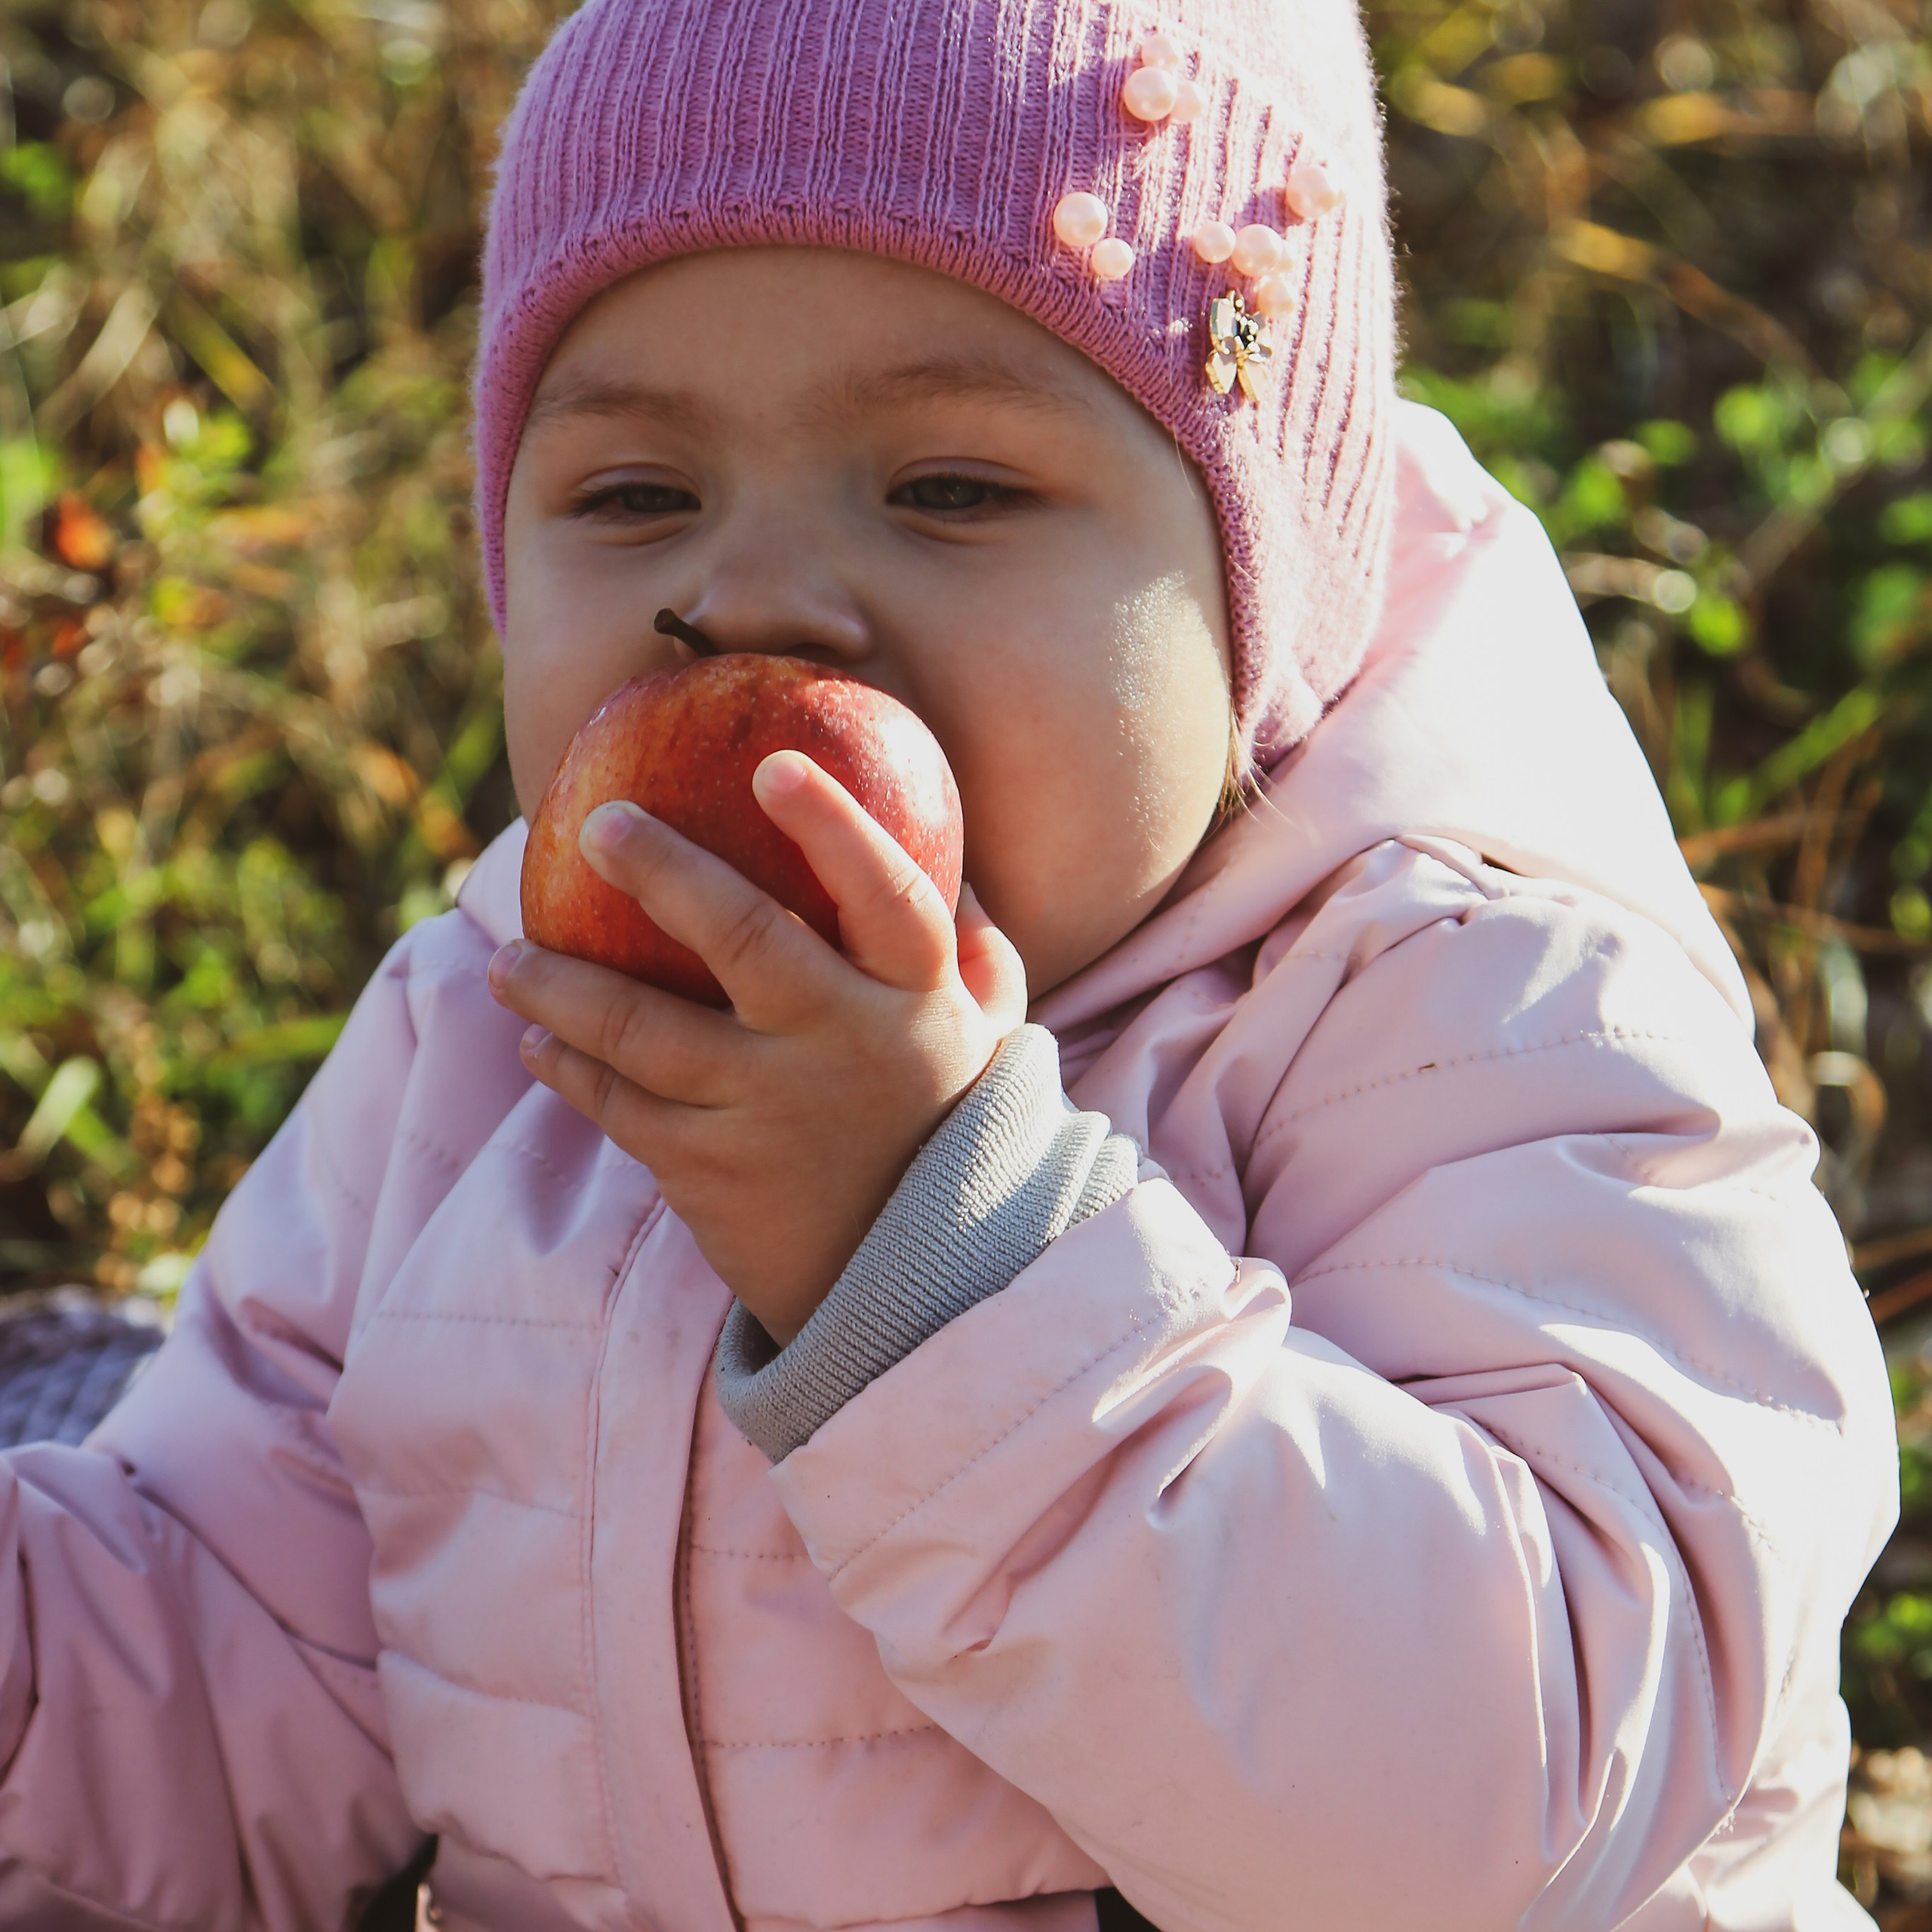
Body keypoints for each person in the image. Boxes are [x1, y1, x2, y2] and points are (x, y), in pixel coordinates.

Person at [0, 0, 1898, 1926]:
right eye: (634, 494)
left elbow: (1510, 1796)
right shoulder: (483, 1048)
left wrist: (938, 1259)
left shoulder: (1461, 1016)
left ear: (1262, 599)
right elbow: (222, 1649)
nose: (746, 598)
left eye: (952, 488)